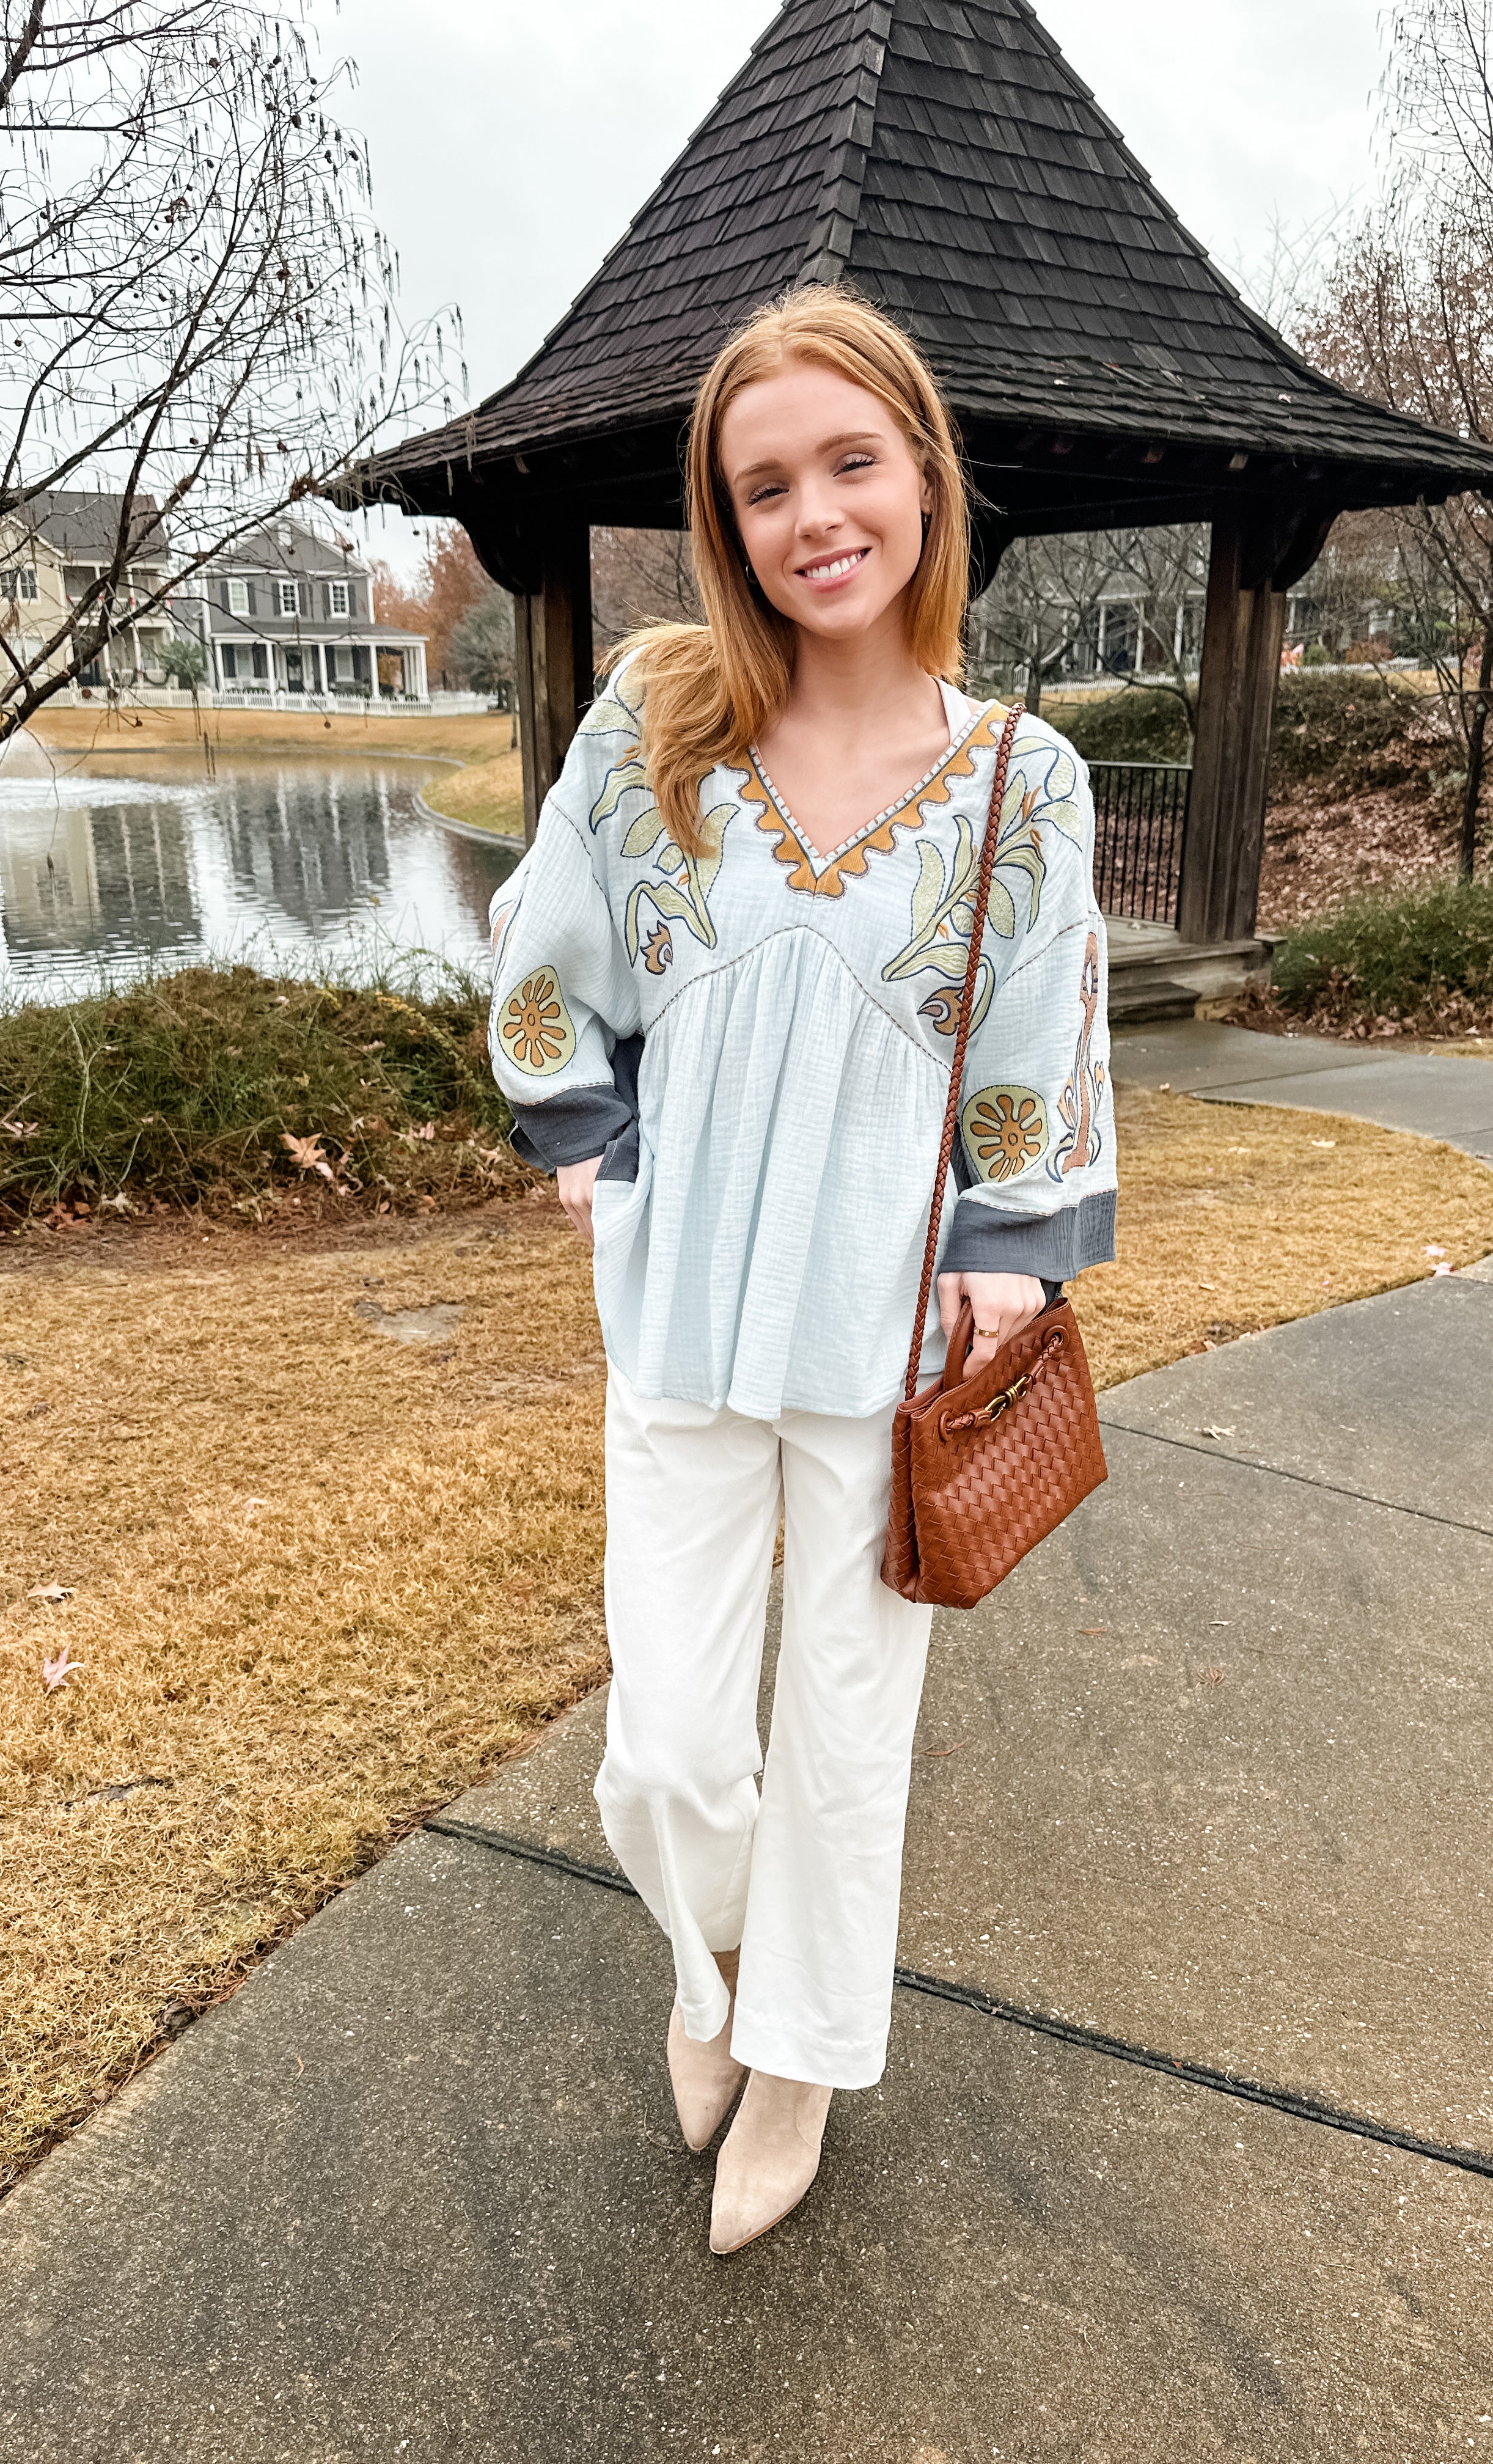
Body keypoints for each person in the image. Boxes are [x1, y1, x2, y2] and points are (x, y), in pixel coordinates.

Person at [487, 285, 1115, 2254]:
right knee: (671, 1746)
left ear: (926, 475)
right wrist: (579, 1134)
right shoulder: (663, 716)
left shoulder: (1027, 781)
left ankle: (802, 2060)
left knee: (850, 1734)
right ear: (726, 518)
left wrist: (1014, 1258)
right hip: (679, 1302)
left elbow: (1039, 1041)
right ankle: (712, 1973)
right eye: (766, 485)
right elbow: (545, 939)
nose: (813, 513)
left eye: (851, 461)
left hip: (893, 1314)